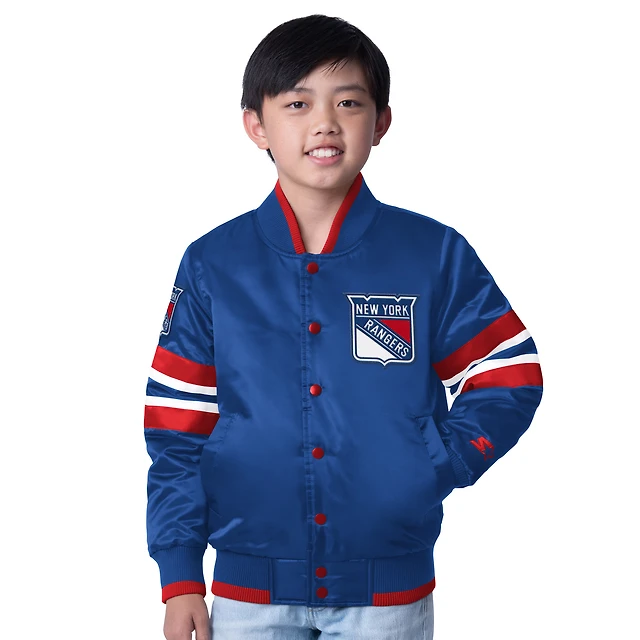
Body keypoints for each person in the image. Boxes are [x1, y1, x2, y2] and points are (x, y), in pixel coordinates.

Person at [144, 14, 543, 640]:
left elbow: (508, 374)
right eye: (297, 103)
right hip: (248, 592)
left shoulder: (431, 253)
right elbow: (176, 425)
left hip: (388, 596)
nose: (325, 123)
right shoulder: (213, 264)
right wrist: (180, 576)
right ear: (256, 125)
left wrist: (432, 462)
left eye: (349, 102)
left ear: (381, 122)